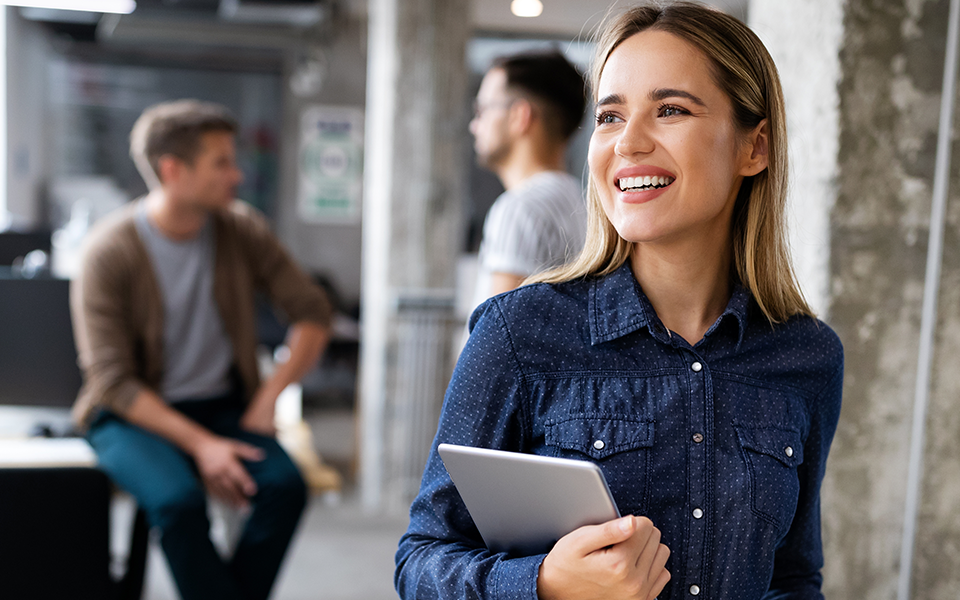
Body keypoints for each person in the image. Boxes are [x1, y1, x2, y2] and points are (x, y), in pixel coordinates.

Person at [396, 3, 844, 600]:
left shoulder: (807, 356)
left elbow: (792, 576)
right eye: (609, 117)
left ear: (754, 147)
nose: (628, 143)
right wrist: (543, 583)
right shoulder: (519, 333)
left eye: (670, 110)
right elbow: (420, 561)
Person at [71, 99, 332, 600]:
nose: (236, 175)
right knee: (178, 502)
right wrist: (201, 446)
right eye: (221, 163)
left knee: (285, 487)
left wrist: (267, 397)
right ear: (173, 170)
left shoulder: (241, 229)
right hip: (129, 416)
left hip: (224, 406)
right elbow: (112, 382)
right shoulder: (108, 252)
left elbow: (312, 312)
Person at [467, 50, 588, 312]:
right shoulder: (583, 203)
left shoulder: (519, 209)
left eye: (482, 110)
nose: (474, 126)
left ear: (519, 116)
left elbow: (495, 346)